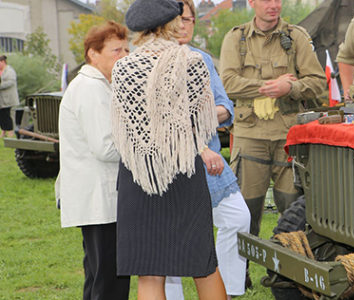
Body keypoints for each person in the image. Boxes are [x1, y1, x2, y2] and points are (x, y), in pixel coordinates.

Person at [111, 0, 227, 299]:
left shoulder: (123, 67)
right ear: (172, 23)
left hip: (140, 175)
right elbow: (201, 124)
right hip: (183, 171)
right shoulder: (192, 62)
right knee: (203, 265)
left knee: (149, 272)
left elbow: (122, 129)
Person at [164, 1, 251, 299]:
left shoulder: (201, 58)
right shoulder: (153, 61)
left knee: (238, 218)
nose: (185, 25)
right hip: (171, 165)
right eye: (179, 19)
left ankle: (227, 291)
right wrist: (202, 116)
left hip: (211, 161)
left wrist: (201, 115)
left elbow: (226, 106)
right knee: (173, 239)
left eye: (190, 19)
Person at [219, 0, 326, 237]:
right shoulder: (236, 38)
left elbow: (318, 81)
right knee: (245, 214)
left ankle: (288, 271)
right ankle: (241, 274)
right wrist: (269, 87)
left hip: (288, 137)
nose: (274, 5)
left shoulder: (296, 37)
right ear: (252, 3)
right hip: (250, 137)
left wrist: (290, 88)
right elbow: (227, 83)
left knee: (293, 212)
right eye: (267, 0)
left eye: (278, 0)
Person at [57, 21, 131, 300]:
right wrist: (142, 148)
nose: (123, 56)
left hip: (101, 198)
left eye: (126, 49)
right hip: (100, 200)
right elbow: (106, 148)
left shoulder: (98, 85)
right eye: (115, 50)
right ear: (93, 54)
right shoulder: (91, 88)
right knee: (109, 280)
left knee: (100, 277)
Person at [0, 55, 19, 138]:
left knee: (9, 116)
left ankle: (11, 133)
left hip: (9, 99)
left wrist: (0, 85)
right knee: (2, 116)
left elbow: (11, 82)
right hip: (2, 100)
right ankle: (3, 132)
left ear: (3, 62)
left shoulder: (10, 71)